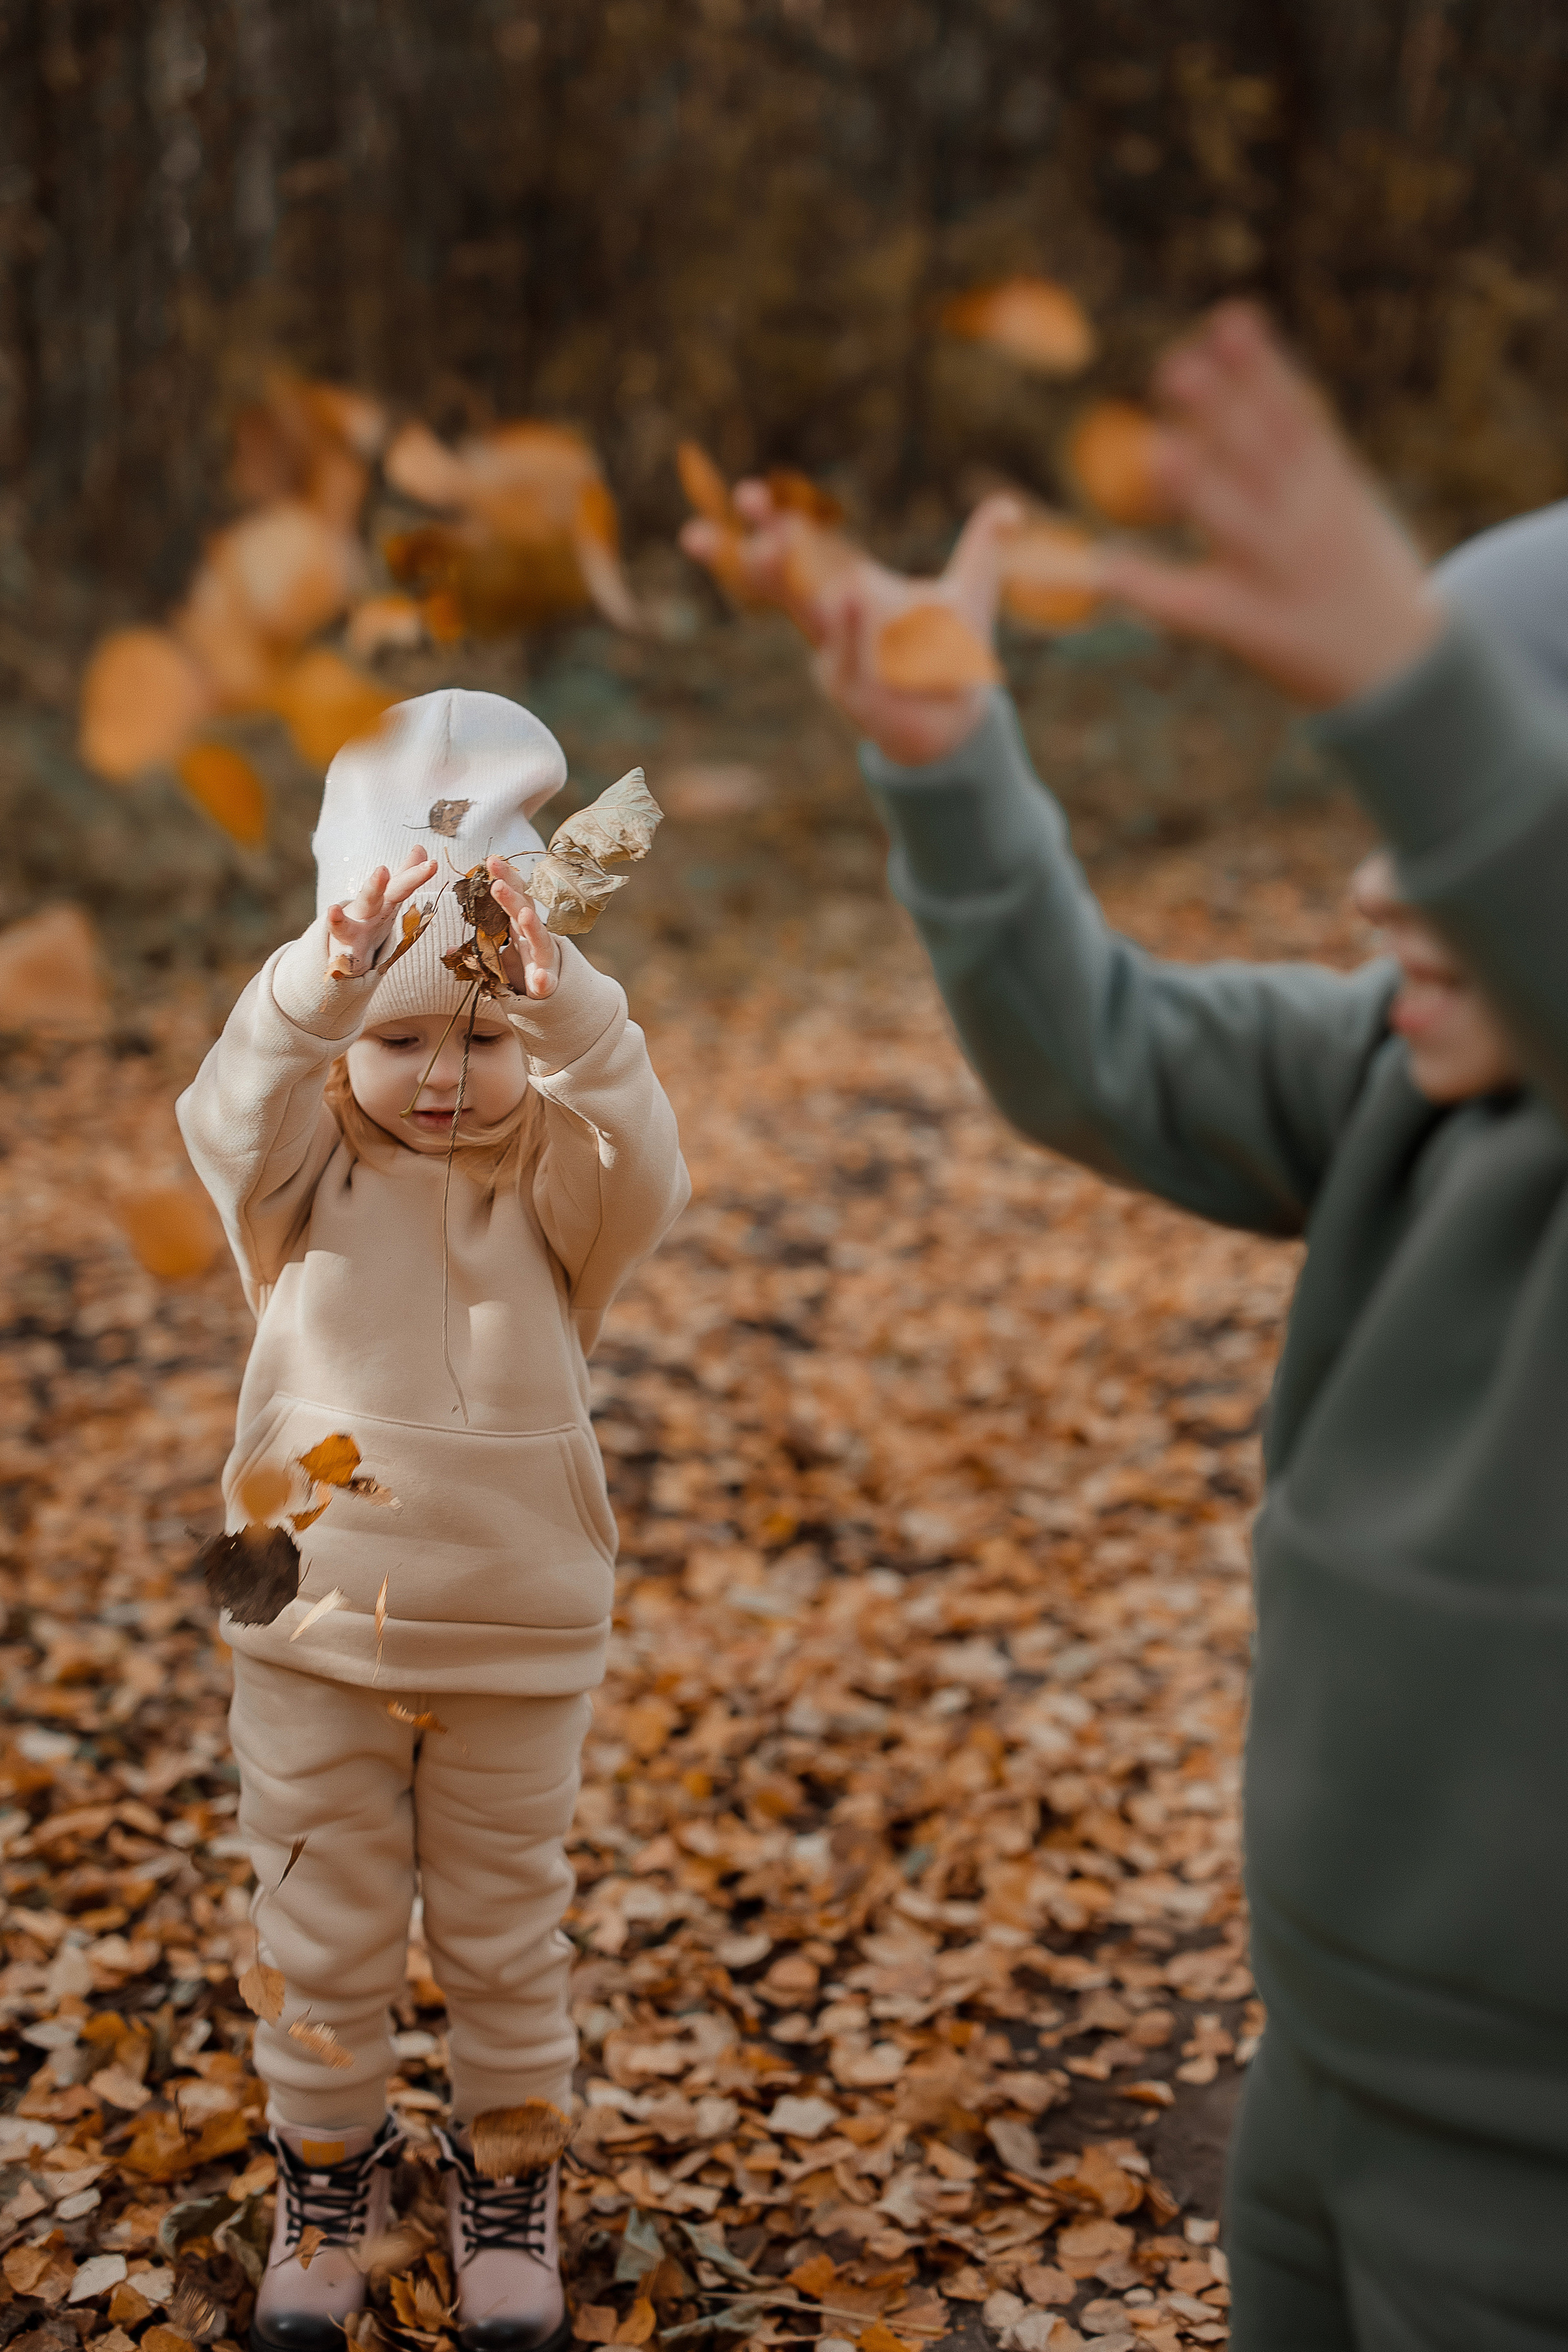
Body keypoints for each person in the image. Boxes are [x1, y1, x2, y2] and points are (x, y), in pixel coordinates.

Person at [684, 307, 1568, 2346]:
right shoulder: (1395, 1081)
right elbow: (1100, 1048)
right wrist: (946, 759)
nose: (1369, 893)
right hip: (1326, 2076)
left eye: (1442, 833)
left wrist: (1425, 703)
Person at [178, 690, 689, 2352]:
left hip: (520, 1630)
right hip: (313, 1626)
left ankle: (509, 2182)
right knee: (317, 1923)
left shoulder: (561, 1193)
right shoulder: (296, 1179)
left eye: (477, 1040)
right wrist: (323, 979)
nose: (444, 1078)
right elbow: (227, 1108)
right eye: (400, 1041)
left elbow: (649, 1165)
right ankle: (330, 2176)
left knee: (502, 1932)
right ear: (348, 1047)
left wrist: (571, 1003)